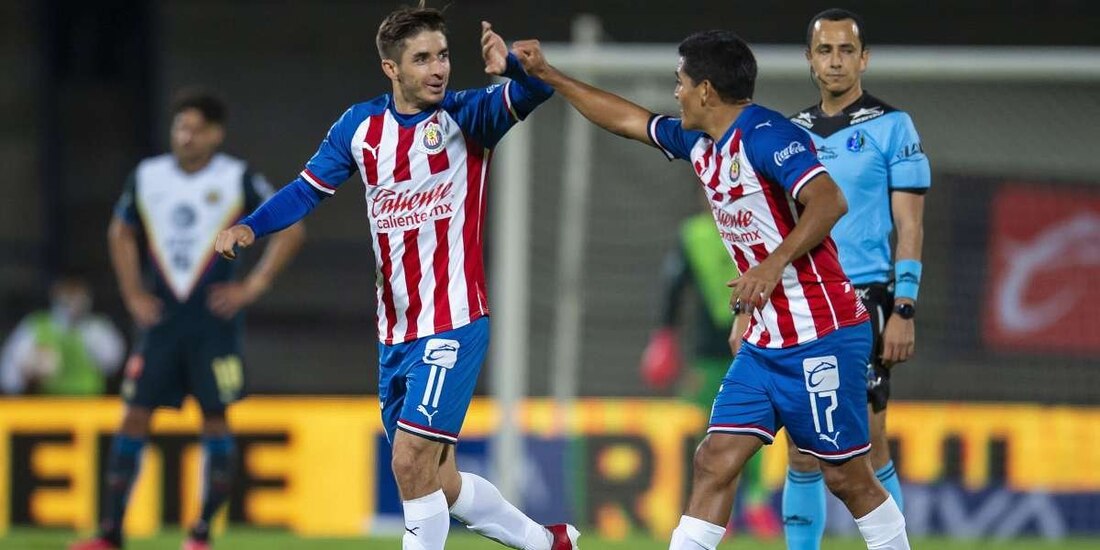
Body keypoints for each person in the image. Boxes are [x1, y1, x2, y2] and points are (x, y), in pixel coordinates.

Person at [514, 30, 911, 550]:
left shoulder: (769, 134)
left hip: (823, 333)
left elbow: (829, 201)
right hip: (765, 344)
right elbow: (627, 119)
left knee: (847, 479)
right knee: (714, 459)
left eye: (679, 82)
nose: (674, 92)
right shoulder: (698, 141)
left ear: (705, 90)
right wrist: (549, 75)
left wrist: (769, 267)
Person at [213, 5, 577, 550]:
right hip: (396, 332)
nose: (439, 69)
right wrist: (250, 226)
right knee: (440, 481)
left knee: (409, 461)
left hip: (454, 320)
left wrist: (515, 72)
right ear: (392, 69)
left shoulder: (466, 116)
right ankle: (549, 545)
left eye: (444, 56)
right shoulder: (360, 128)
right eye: (422, 58)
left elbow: (532, 96)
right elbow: (307, 189)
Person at [70, 89, 305, 550]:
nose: (186, 136)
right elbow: (120, 229)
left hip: (212, 323)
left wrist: (252, 287)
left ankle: (200, 534)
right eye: (180, 127)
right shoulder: (148, 175)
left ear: (215, 134)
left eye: (196, 129)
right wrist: (133, 292)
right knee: (134, 417)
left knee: (215, 421)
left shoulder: (237, 177)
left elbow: (292, 227)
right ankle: (111, 533)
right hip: (161, 321)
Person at [782, 9, 930, 549]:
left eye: (847, 50)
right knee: (802, 444)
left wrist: (905, 308)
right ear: (810, 59)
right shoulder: (789, 134)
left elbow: (909, 226)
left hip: (865, 297)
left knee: (869, 441)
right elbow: (780, 230)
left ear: (863, 59)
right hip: (802, 298)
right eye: (826, 50)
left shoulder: (894, 127)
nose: (836, 60)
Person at [640, 211, 779, 539]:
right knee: (715, 432)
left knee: (756, 427)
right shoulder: (695, 234)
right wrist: (665, 337)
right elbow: (674, 287)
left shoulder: (757, 221)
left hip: (756, 344)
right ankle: (715, 509)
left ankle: (755, 501)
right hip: (709, 353)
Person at [1, 274, 125, 396]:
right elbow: (8, 374)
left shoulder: (97, 328)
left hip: (88, 405)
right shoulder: (35, 326)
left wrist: (87, 338)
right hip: (46, 405)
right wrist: (29, 372)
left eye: (78, 300)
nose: (73, 306)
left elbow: (114, 364)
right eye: (68, 300)